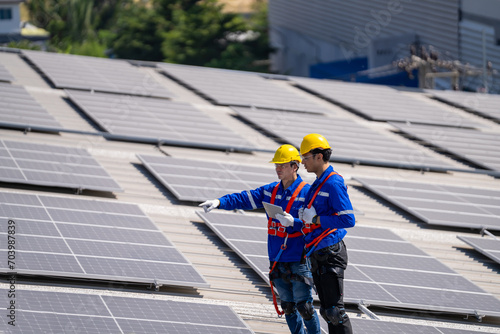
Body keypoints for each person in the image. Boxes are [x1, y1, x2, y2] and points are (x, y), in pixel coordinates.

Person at [200, 144, 321, 334]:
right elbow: (244, 198)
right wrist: (219, 202)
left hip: (299, 259)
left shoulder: (308, 193)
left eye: (282, 165)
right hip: (277, 259)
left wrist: (295, 223)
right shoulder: (270, 191)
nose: (278, 169)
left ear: (295, 166)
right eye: (276, 165)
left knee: (305, 308)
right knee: (288, 307)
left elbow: (317, 225)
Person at [299, 134, 355, 334]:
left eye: (306, 157)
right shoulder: (318, 183)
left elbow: (348, 220)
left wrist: (316, 220)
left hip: (331, 253)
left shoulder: (333, 183)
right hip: (318, 251)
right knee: (326, 311)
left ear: (319, 157)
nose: (302, 162)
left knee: (335, 312)